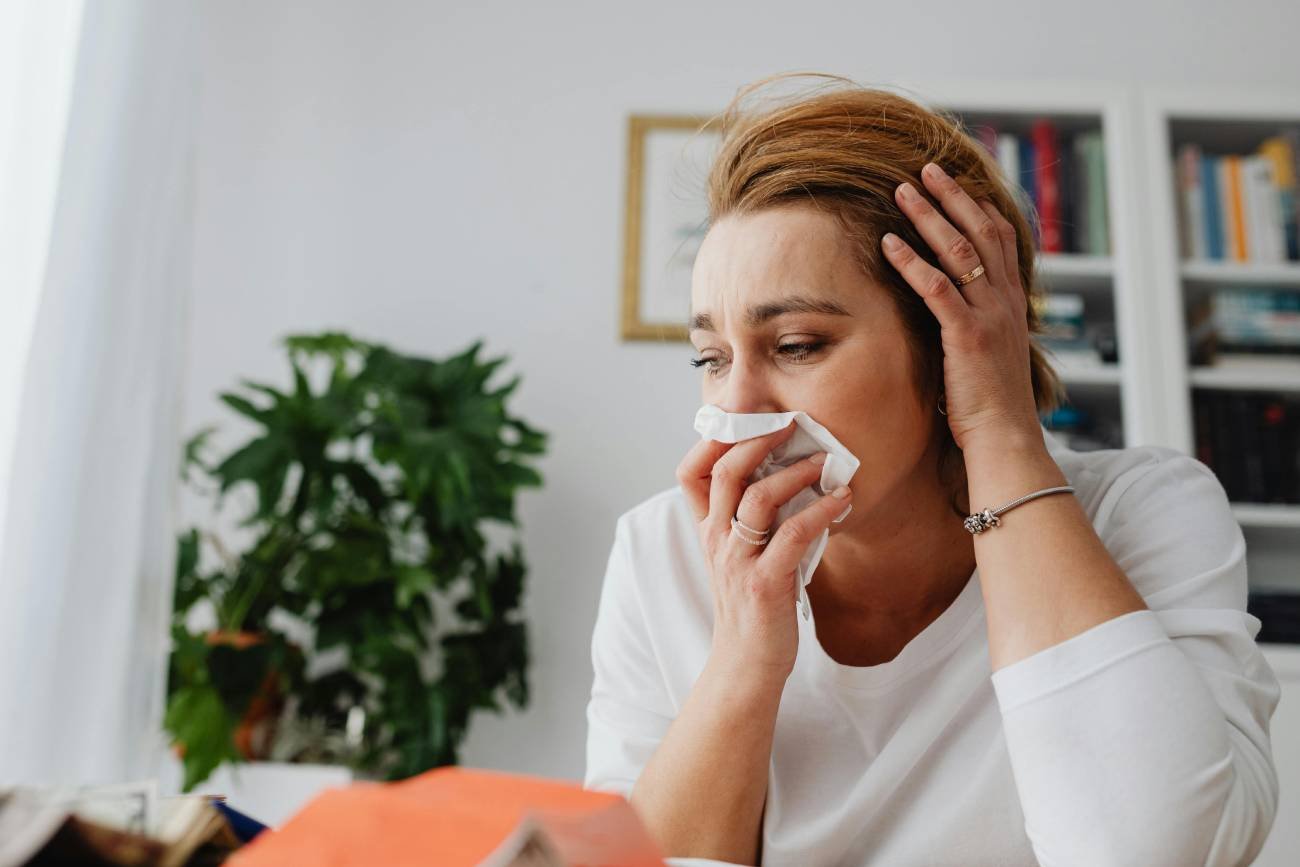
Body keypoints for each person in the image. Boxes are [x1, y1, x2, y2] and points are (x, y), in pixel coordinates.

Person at [583, 73, 1280, 867]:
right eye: (710, 358)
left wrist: (1000, 427)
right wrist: (746, 647)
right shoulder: (660, 552)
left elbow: (1155, 852)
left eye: (797, 345)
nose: (735, 406)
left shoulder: (1142, 512)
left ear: (952, 341)